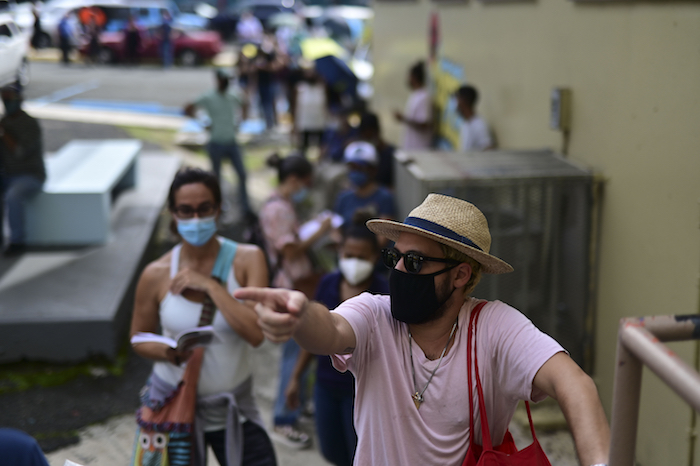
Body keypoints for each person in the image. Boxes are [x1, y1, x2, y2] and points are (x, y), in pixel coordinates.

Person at [235, 193, 611, 466]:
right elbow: (330, 328)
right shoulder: (375, 314)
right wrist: (299, 315)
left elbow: (574, 383)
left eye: (413, 262)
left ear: (461, 274)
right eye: (393, 257)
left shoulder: (494, 327)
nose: (398, 271)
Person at [129, 167, 276, 466]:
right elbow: (138, 337)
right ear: (173, 213)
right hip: (171, 407)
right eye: (185, 210)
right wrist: (167, 352)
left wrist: (210, 285)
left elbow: (255, 333)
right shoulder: (156, 273)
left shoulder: (247, 259)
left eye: (204, 209)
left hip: (233, 411)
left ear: (218, 208)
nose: (195, 219)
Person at [285, 213, 388, 466]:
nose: (354, 262)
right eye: (349, 255)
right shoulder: (328, 283)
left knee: (361, 453)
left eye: (361, 257)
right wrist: (296, 378)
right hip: (326, 386)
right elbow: (314, 335)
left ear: (375, 257)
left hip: (365, 391)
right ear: (339, 252)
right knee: (332, 451)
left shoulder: (385, 292)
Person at [259, 153, 333, 449]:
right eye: (306, 182)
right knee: (294, 355)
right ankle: (283, 419)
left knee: (301, 350)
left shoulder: (280, 204)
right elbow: (290, 252)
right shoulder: (279, 209)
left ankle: (295, 404)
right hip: (290, 288)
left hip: (294, 286)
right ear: (294, 180)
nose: (308, 188)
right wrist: (320, 232)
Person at [184, 69, 253, 219]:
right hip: (215, 143)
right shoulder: (209, 96)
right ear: (218, 80)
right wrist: (202, 123)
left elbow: (246, 102)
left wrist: (241, 121)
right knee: (216, 179)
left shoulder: (233, 94)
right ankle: (219, 208)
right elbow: (188, 107)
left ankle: (245, 207)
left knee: (242, 175)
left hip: (232, 141)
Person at [0, 85, 45, 257]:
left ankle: (17, 241)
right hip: (7, 175)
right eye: (4, 99)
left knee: (13, 195)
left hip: (30, 176)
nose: (6, 103)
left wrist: (4, 134)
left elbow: (20, 152)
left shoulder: (30, 124)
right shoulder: (4, 122)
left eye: (9, 99)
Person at [333, 141, 395, 228]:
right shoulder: (344, 197)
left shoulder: (385, 198)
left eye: (360, 168)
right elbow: (335, 229)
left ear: (373, 170)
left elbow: (382, 237)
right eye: (353, 167)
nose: (355, 172)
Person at [393, 61, 432, 150]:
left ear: (414, 77)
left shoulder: (424, 97)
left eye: (409, 76)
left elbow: (424, 125)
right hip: (412, 150)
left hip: (420, 150)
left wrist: (403, 118)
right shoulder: (415, 95)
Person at [358, 112, 395, 189]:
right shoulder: (360, 153)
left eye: (370, 135)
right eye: (365, 137)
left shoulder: (391, 154)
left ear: (377, 132)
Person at [294, 69, 326, 156]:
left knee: (320, 143)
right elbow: (296, 105)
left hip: (318, 120)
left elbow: (325, 104)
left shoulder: (321, 87)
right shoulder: (300, 88)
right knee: (304, 144)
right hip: (305, 121)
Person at [455, 85, 494, 152]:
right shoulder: (465, 124)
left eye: (457, 99)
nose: (456, 103)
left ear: (464, 100)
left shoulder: (479, 124)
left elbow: (488, 149)